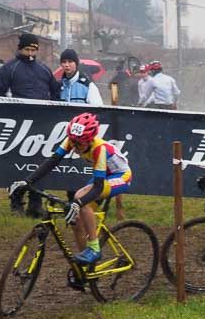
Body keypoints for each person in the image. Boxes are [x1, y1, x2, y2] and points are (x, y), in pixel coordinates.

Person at [8, 112, 131, 265]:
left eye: (79, 144)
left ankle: (94, 248)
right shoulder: (73, 139)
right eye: (73, 141)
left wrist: (79, 202)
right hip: (103, 175)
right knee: (76, 220)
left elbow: (98, 186)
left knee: (79, 197)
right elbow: (53, 161)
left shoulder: (99, 149)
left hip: (120, 176)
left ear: (90, 140)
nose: (75, 147)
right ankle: (86, 269)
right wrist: (27, 181)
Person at [0, 33, 61, 100]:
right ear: (20, 49)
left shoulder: (45, 69)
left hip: (43, 109)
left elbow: (56, 92)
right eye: (27, 49)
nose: (30, 53)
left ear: (37, 51)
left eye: (33, 50)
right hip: (18, 109)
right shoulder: (9, 68)